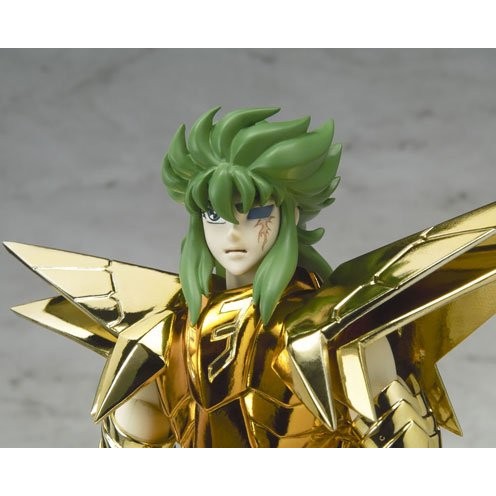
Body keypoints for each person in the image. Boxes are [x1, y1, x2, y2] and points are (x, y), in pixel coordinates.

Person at [6, 107, 496, 447]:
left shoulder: (330, 329)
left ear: (289, 216)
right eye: (215, 216)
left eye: (255, 211)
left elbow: (406, 445)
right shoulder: (163, 336)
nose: (232, 233)